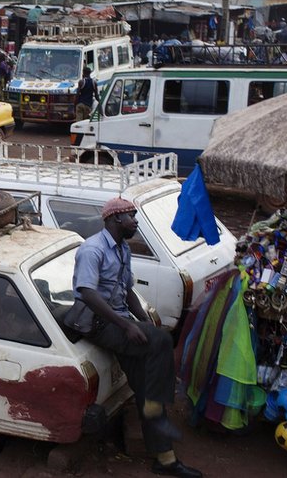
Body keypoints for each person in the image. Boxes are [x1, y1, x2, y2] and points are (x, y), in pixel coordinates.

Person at [69, 197, 202, 478]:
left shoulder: (123, 249)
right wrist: (128, 327)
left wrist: (143, 322)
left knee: (145, 382)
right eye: (131, 216)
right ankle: (158, 403)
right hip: (96, 323)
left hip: (118, 320)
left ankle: (165, 460)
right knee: (162, 342)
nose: (136, 221)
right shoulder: (92, 250)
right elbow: (87, 293)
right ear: (115, 219)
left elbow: (127, 291)